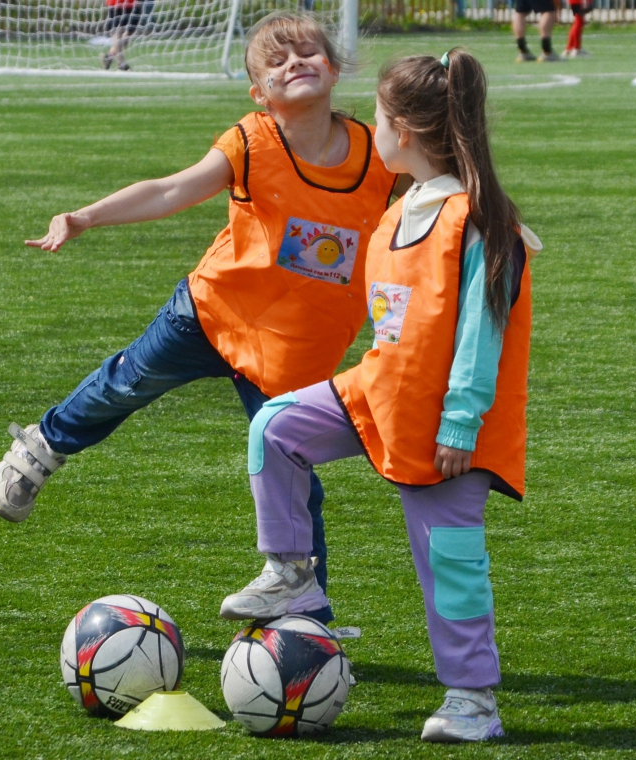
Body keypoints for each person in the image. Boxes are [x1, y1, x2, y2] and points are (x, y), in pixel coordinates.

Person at [0, 13, 399, 626]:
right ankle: (42, 448)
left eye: (309, 53)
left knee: (291, 471)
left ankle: (305, 612)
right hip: (211, 313)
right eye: (278, 63)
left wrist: (491, 221)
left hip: (292, 350)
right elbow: (169, 190)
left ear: (335, 68)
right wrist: (83, 217)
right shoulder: (251, 141)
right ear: (259, 93)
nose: (297, 64)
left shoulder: (379, 153)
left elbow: (443, 191)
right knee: (125, 382)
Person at [221, 49, 540, 742]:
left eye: (378, 117)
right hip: (378, 393)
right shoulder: (400, 212)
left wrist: (460, 421)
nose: (371, 128)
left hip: (446, 427)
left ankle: (472, 702)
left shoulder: (478, 219)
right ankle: (292, 573)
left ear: (406, 130)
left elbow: (483, 334)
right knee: (276, 427)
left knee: (450, 566)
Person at [103, 0, 140, 71]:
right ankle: (121, 63)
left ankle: (111, 55)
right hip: (116, 4)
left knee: (130, 32)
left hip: (132, 4)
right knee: (118, 31)